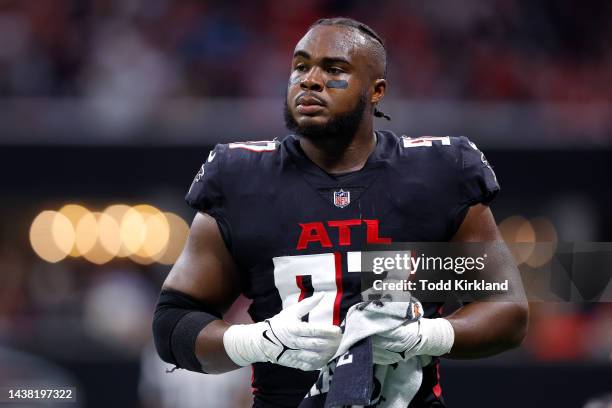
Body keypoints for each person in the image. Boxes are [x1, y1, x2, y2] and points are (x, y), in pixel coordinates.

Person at [152, 17, 529, 408]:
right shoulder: (240, 178)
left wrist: (425, 336)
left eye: (334, 70)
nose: (310, 80)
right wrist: (256, 341)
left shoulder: (436, 175)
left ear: (376, 91)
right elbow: (172, 323)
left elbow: (508, 311)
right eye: (300, 66)